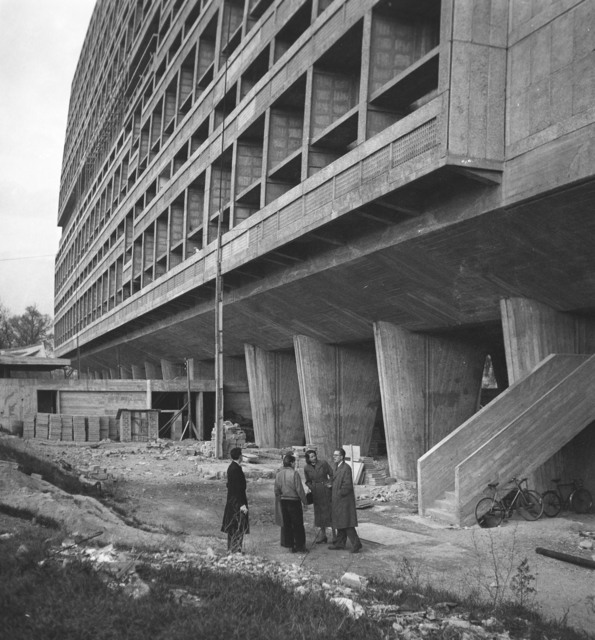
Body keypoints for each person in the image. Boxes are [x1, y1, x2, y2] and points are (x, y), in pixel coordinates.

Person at [328, 448, 362, 554]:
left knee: (347, 523)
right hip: (337, 499)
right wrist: (330, 485)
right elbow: (334, 480)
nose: (334, 457)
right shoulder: (336, 467)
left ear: (342, 457)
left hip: (344, 500)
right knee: (340, 522)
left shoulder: (346, 468)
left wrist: (338, 493)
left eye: (336, 455)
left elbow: (347, 486)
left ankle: (357, 544)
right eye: (334, 455)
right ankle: (340, 543)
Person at [274, 453, 309, 553]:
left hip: (283, 501)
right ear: (291, 463)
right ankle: (300, 546)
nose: (295, 464)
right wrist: (305, 502)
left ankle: (290, 546)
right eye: (294, 462)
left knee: (287, 524)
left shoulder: (279, 474)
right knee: (298, 524)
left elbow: (276, 490)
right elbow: (300, 490)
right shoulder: (294, 474)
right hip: (294, 502)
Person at [220, 447, 249, 553]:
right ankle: (235, 550)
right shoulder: (235, 469)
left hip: (233, 501)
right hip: (237, 503)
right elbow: (237, 488)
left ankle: (233, 549)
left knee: (234, 527)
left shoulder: (233, 467)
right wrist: (242, 504)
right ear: (240, 456)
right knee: (237, 527)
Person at [304, 449, 335, 544]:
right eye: (311, 457)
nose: (314, 458)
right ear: (308, 459)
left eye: (314, 455)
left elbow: (332, 474)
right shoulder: (306, 468)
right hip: (316, 492)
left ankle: (335, 536)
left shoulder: (323, 463)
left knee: (329, 511)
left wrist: (330, 483)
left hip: (326, 490)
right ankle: (323, 536)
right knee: (319, 513)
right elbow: (307, 480)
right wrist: (312, 487)